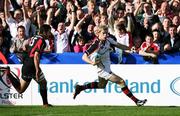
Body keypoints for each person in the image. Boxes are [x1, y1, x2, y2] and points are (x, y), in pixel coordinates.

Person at [73, 25, 147, 106]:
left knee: (101, 85)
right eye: (103, 33)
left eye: (106, 33)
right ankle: (137, 101)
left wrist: (130, 48)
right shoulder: (96, 44)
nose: (105, 35)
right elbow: (84, 57)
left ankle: (80, 88)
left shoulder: (108, 40)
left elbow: (119, 45)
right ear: (98, 34)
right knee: (121, 81)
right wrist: (92, 62)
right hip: (103, 70)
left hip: (106, 67)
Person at [3, 24, 52, 107]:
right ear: (45, 32)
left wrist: (27, 52)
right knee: (43, 83)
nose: (49, 34)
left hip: (26, 64)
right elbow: (36, 55)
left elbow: (25, 45)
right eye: (49, 32)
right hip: (32, 65)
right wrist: (37, 69)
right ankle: (45, 104)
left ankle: (9, 74)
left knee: (20, 90)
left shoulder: (34, 37)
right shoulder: (42, 40)